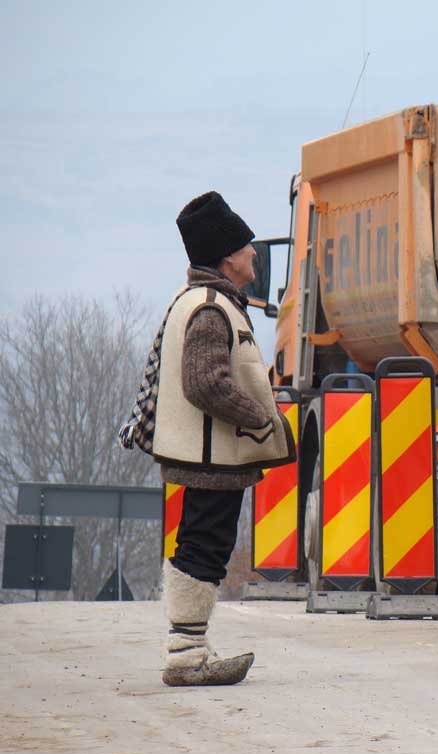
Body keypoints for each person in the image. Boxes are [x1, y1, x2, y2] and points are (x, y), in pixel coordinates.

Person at [120, 191, 295, 686]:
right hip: (211, 459)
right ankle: (186, 655)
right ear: (226, 258)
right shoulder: (212, 308)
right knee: (203, 547)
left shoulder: (199, 301)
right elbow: (205, 383)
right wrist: (260, 419)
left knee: (203, 545)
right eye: (246, 246)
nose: (254, 253)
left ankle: (188, 648)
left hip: (208, 455)